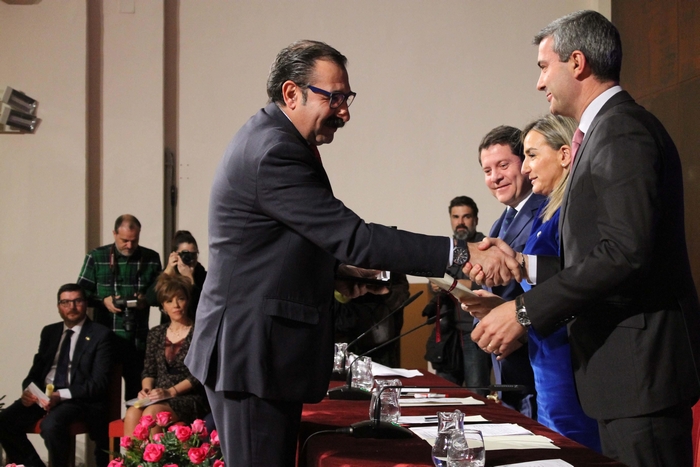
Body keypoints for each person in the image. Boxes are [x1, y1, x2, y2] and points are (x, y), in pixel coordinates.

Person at [183, 40, 504, 467]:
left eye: (347, 98)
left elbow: (276, 247)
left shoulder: (273, 137)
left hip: (259, 351)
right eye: (333, 97)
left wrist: (339, 275)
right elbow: (355, 238)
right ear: (291, 93)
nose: (345, 111)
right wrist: (459, 254)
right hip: (251, 354)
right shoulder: (274, 151)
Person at [468, 10, 700, 466]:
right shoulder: (603, 132)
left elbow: (625, 253)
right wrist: (522, 266)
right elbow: (599, 254)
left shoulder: (622, 129)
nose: (539, 83)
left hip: (642, 371)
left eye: (543, 66)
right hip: (623, 375)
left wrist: (524, 311)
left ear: (577, 63)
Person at [464, 115, 600, 451]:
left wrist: (519, 305)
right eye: (486, 170)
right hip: (535, 358)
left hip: (559, 356)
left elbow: (582, 276)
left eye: (530, 156)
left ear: (565, 154)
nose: (525, 167)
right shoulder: (503, 221)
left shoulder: (558, 211)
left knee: (570, 447)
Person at [0, 284, 113, 467]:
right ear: (58, 306)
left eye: (77, 301)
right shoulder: (50, 332)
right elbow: (35, 372)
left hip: (78, 399)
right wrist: (29, 391)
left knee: (51, 426)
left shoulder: (100, 334)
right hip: (44, 396)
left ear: (85, 304)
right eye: (65, 302)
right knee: (4, 421)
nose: (72, 307)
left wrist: (61, 395)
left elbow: (98, 383)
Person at [477, 126, 544, 418]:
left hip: (539, 363)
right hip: (507, 365)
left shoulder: (547, 212)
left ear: (525, 163)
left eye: (503, 165)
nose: (495, 177)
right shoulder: (497, 225)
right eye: (487, 170)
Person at [77, 214, 162, 400]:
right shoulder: (96, 257)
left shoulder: (151, 258)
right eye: (124, 240)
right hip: (105, 338)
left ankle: (133, 430)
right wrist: (103, 300)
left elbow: (162, 295)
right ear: (114, 234)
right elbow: (80, 295)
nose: (129, 246)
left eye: (134, 240)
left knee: (137, 396)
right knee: (103, 396)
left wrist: (144, 300)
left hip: (138, 340)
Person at [124, 274, 208, 436]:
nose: (176, 305)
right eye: (170, 301)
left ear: (188, 301)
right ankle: (133, 461)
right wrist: (146, 391)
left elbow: (198, 374)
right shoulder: (156, 333)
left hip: (189, 396)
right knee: (132, 413)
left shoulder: (199, 332)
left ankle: (156, 460)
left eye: (181, 299)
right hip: (158, 396)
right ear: (163, 306)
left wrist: (171, 392)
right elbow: (149, 371)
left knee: (152, 413)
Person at [423, 196, 491, 393]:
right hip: (446, 330)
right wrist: (435, 285)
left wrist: (453, 284)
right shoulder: (447, 248)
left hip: (475, 331)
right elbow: (435, 284)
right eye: (456, 217)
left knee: (477, 394)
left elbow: (488, 284)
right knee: (444, 394)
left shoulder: (486, 248)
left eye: (466, 216)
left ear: (475, 220)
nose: (460, 222)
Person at [333, 272, 409, 368]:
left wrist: (385, 291)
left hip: (378, 339)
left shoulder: (390, 263)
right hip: (339, 336)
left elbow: (401, 296)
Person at [156, 230, 207, 322]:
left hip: (196, 326)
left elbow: (204, 305)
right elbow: (151, 299)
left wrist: (191, 281)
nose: (189, 258)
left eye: (193, 254)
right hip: (171, 328)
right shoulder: (169, 273)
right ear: (175, 254)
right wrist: (167, 271)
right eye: (185, 254)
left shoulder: (202, 275)